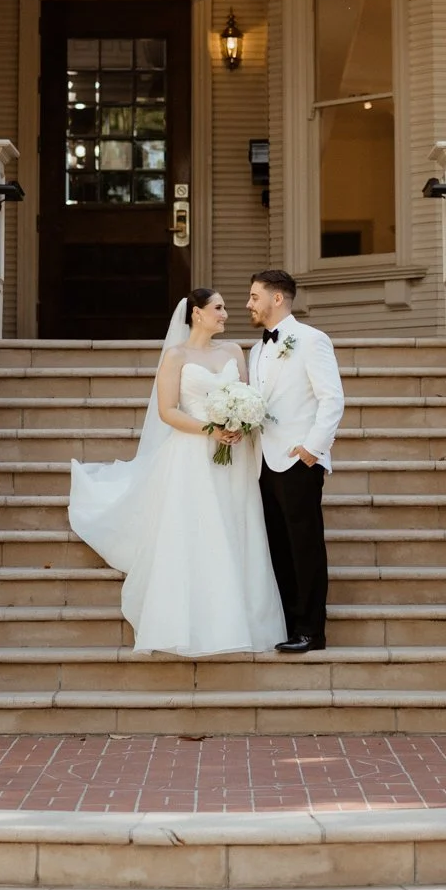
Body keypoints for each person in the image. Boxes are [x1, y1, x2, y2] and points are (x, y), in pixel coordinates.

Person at [67, 287, 286, 656]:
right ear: (197, 314)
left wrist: (241, 424)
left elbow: (248, 397)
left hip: (234, 455)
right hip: (192, 455)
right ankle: (196, 623)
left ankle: (245, 620)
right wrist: (211, 430)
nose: (226, 314)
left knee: (237, 526)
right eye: (218, 308)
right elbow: (168, 411)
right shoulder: (175, 356)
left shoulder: (234, 352)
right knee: (199, 530)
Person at [246, 268, 344, 654]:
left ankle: (311, 631)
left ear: (277, 299)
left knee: (304, 547)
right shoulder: (255, 350)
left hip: (298, 461)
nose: (249, 304)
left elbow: (331, 398)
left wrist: (312, 449)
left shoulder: (312, 340)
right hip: (262, 462)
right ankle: (287, 624)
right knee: (278, 547)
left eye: (254, 296)